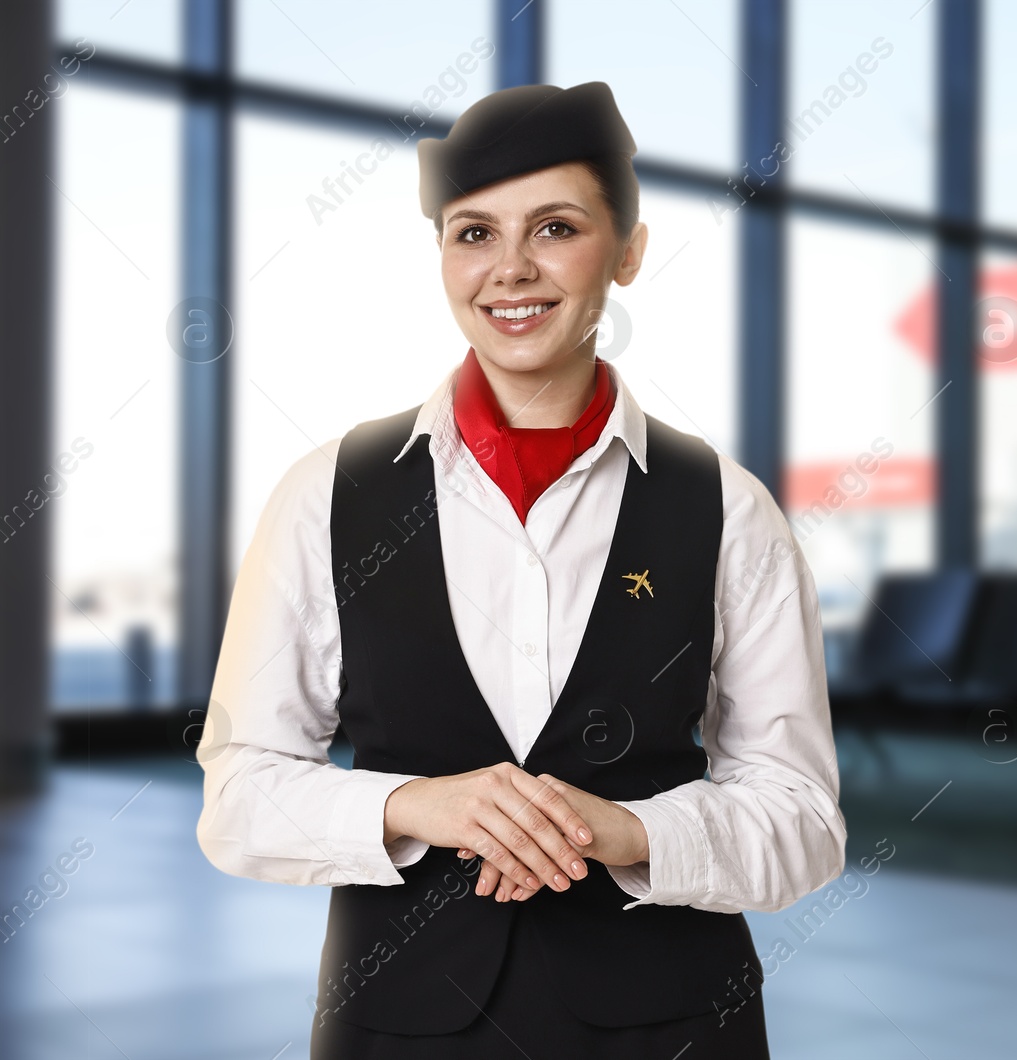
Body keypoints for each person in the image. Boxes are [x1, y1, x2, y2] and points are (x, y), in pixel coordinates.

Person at [195, 81, 846, 1058]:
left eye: (555, 227)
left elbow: (802, 821)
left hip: (670, 1025)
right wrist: (415, 804)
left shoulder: (728, 509)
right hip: (399, 1022)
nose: (510, 269)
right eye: (472, 234)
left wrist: (625, 832)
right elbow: (238, 794)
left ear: (627, 250)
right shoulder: (325, 492)